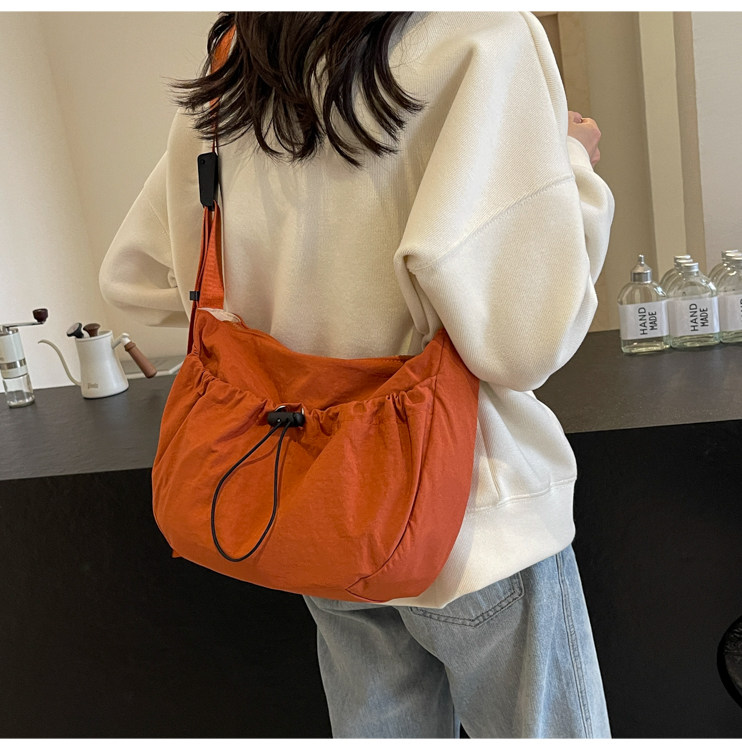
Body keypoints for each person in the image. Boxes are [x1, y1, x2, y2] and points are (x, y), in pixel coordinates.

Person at [100, 11, 615, 738]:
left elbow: (136, 278)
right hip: (469, 514)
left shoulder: (243, 56)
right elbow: (522, 340)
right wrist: (572, 164)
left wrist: (290, 317)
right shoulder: (481, 32)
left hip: (321, 506)